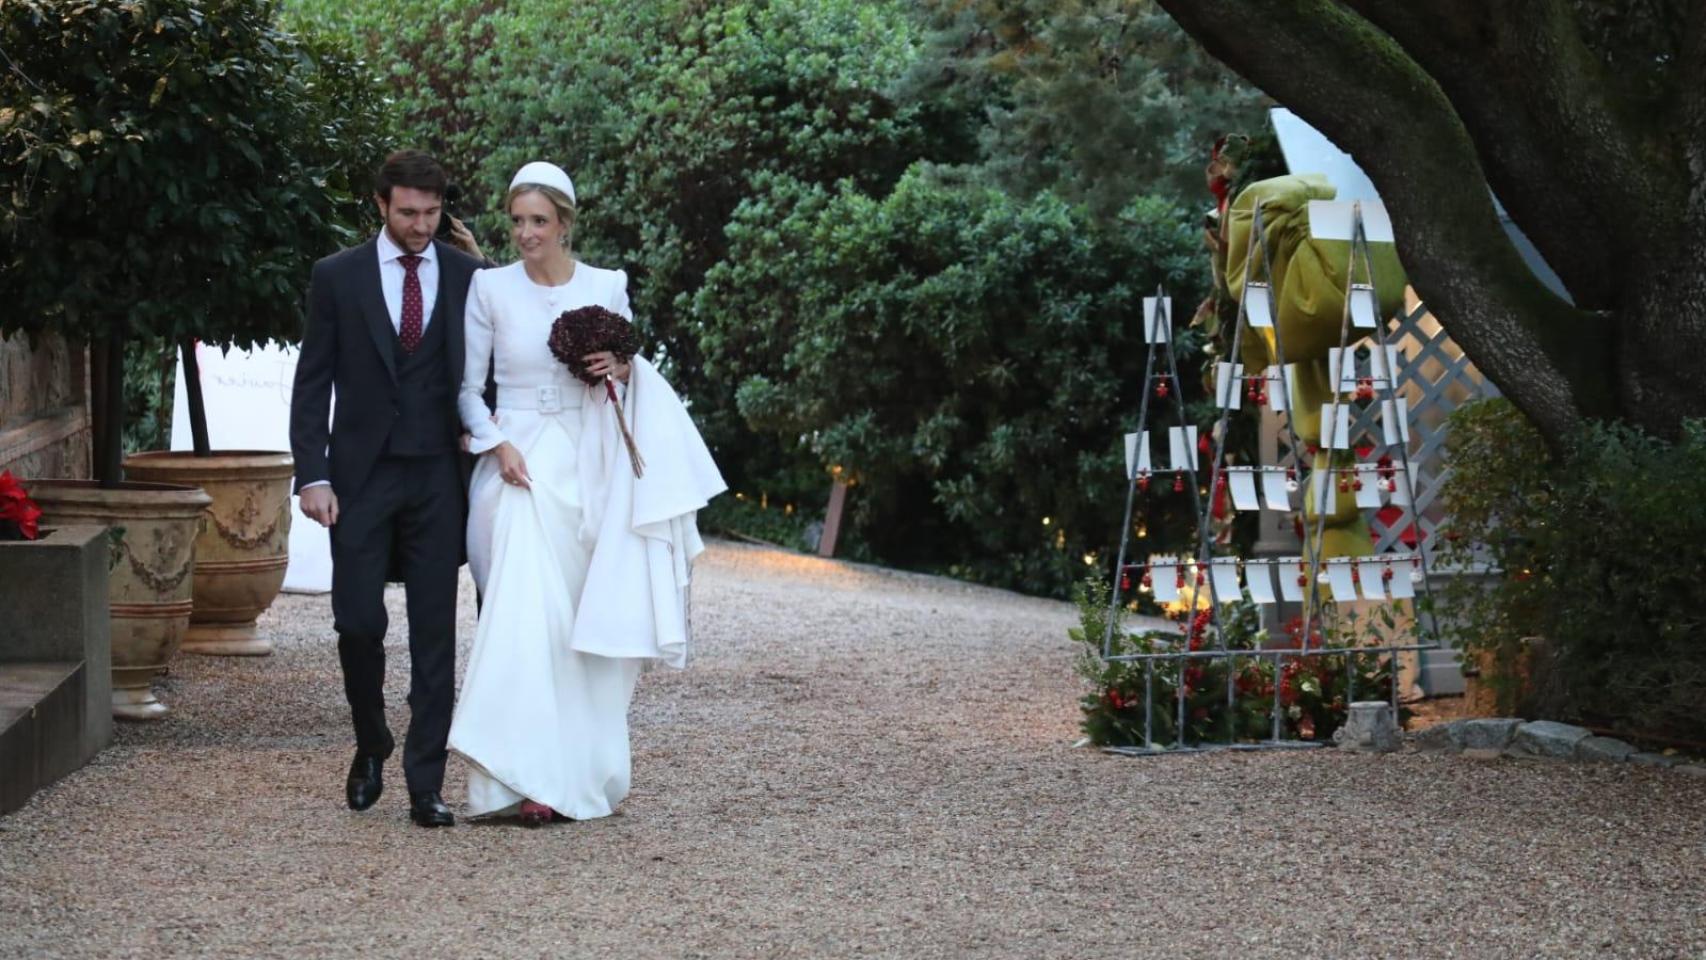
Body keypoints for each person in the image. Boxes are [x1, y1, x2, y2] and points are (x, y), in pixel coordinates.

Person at [449, 161, 724, 826]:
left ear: (565, 224)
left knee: (584, 628)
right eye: (518, 221)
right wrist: (497, 444)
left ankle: (572, 772)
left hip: (591, 464)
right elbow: (467, 390)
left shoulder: (607, 285)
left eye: (539, 221)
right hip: (518, 465)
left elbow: (625, 377)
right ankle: (516, 776)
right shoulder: (489, 288)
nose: (526, 234)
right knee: (528, 621)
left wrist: (620, 366)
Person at [289, 150, 483, 828]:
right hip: (360, 478)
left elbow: (489, 375)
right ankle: (371, 741)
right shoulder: (337, 277)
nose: (420, 225)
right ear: (380, 204)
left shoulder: (470, 277)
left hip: (438, 477)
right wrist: (312, 474)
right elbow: (312, 380)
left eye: (431, 212)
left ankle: (425, 782)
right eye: (407, 212)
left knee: (435, 634)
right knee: (357, 622)